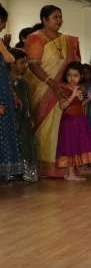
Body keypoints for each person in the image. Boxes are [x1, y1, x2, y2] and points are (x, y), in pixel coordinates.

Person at [25, 5, 82, 178]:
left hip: (64, 90)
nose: (59, 20)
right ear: (44, 20)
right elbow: (33, 65)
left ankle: (63, 168)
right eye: (55, 17)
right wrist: (51, 83)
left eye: (60, 17)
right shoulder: (35, 38)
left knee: (62, 129)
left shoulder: (67, 40)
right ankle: (44, 167)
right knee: (44, 130)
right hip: (42, 90)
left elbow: (75, 66)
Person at [55, 62, 91, 180]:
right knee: (70, 145)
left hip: (79, 120)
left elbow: (79, 104)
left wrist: (88, 99)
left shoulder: (80, 88)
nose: (72, 78)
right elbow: (62, 106)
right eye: (69, 75)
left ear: (81, 76)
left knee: (77, 145)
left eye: (75, 75)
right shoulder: (62, 88)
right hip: (69, 121)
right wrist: (73, 95)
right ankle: (69, 174)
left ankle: (74, 171)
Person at [0, 9, 23, 181]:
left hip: (4, 90)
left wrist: (12, 92)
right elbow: (10, 59)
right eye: (2, 21)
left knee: (5, 130)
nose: (3, 26)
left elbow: (5, 70)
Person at [10, 48, 38, 182]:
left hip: (24, 120)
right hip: (13, 120)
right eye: (22, 62)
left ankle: (27, 172)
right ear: (12, 64)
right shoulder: (8, 83)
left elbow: (27, 102)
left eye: (26, 62)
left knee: (27, 144)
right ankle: (14, 171)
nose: (25, 66)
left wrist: (30, 117)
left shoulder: (23, 81)